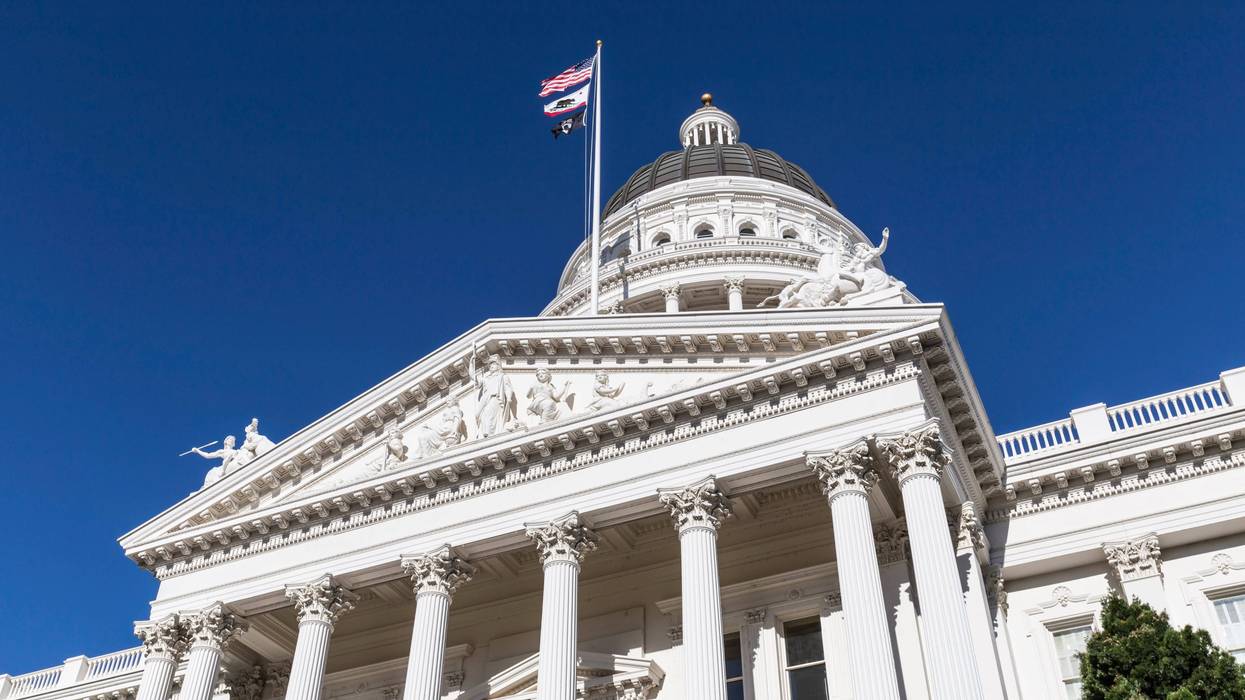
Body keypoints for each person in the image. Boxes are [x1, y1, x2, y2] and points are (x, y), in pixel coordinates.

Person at [475, 355, 517, 437]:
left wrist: (508, 397)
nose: (491, 366)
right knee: (478, 415)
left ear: (498, 366)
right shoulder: (486, 378)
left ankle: (489, 434)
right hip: (485, 398)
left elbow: (508, 388)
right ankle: (485, 433)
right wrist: (471, 366)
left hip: (495, 398)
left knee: (488, 414)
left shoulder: (502, 376)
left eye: (493, 364)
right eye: (490, 365)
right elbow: (475, 382)